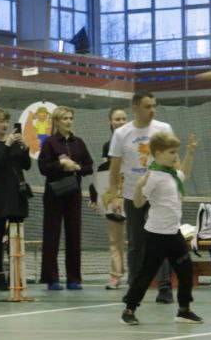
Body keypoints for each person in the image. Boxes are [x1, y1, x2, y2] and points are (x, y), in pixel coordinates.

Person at [120, 131, 200, 326]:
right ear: (158, 153)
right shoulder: (153, 177)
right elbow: (138, 204)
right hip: (155, 236)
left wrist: (190, 153)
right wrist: (139, 187)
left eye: (176, 152)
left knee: (185, 271)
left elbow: (185, 173)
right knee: (146, 274)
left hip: (174, 234)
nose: (175, 156)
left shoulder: (172, 175)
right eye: (172, 152)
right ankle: (129, 309)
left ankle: (184, 310)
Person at [104, 92, 174, 304]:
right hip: (132, 195)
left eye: (154, 105)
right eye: (147, 106)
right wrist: (114, 195)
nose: (152, 110)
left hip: (159, 196)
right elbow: (114, 168)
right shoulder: (122, 134)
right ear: (135, 107)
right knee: (136, 243)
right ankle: (134, 288)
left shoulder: (164, 129)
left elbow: (173, 159)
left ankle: (165, 288)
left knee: (161, 241)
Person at [38, 106, 93, 290]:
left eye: (70, 118)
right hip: (54, 194)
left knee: (74, 235)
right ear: (56, 121)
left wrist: (76, 167)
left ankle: (74, 278)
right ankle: (51, 278)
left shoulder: (79, 142)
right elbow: (43, 168)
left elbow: (89, 166)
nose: (68, 121)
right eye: (64, 118)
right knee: (51, 236)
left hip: (73, 194)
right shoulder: (49, 143)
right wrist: (61, 164)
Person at [0, 107, 32, 291]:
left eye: (6, 121)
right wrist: (8, 145)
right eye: (0, 121)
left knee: (16, 233)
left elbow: (26, 166)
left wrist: (25, 148)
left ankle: (16, 273)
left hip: (16, 192)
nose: (4, 125)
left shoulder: (14, 142)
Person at [89, 107, 128, 290]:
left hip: (133, 195)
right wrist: (97, 196)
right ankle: (116, 275)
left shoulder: (135, 143)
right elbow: (104, 174)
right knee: (115, 240)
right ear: (110, 122)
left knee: (139, 240)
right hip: (113, 197)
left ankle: (140, 274)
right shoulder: (108, 146)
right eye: (117, 119)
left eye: (123, 119)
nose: (120, 122)